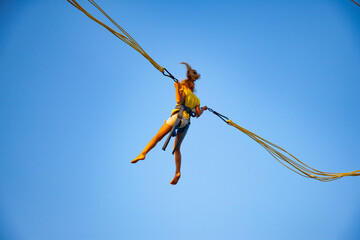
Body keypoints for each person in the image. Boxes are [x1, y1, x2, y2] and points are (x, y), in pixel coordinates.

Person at [131, 62, 208, 185]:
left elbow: (178, 100)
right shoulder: (196, 99)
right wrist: (203, 109)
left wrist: (176, 88)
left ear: (185, 85)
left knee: (157, 137)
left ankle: (143, 153)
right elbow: (198, 114)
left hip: (177, 117)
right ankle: (177, 172)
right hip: (186, 123)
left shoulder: (183, 89)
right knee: (177, 149)